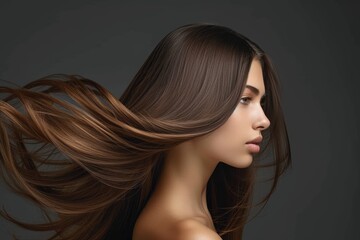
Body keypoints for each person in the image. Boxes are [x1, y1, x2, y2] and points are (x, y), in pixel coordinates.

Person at [0, 23, 291, 240]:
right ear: (193, 100)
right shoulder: (192, 235)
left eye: (261, 102)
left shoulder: (158, 220)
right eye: (244, 99)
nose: (263, 120)